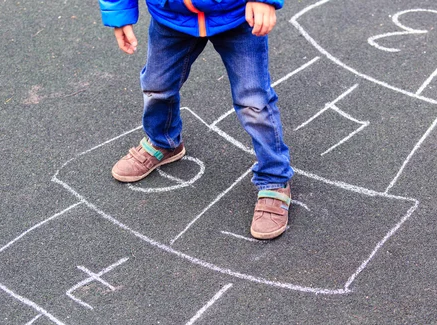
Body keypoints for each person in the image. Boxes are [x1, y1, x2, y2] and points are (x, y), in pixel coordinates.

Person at [99, 0, 294, 239]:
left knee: (254, 101)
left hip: (237, 15)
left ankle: (274, 178)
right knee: (156, 86)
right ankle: (164, 142)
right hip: (172, 17)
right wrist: (119, 12)